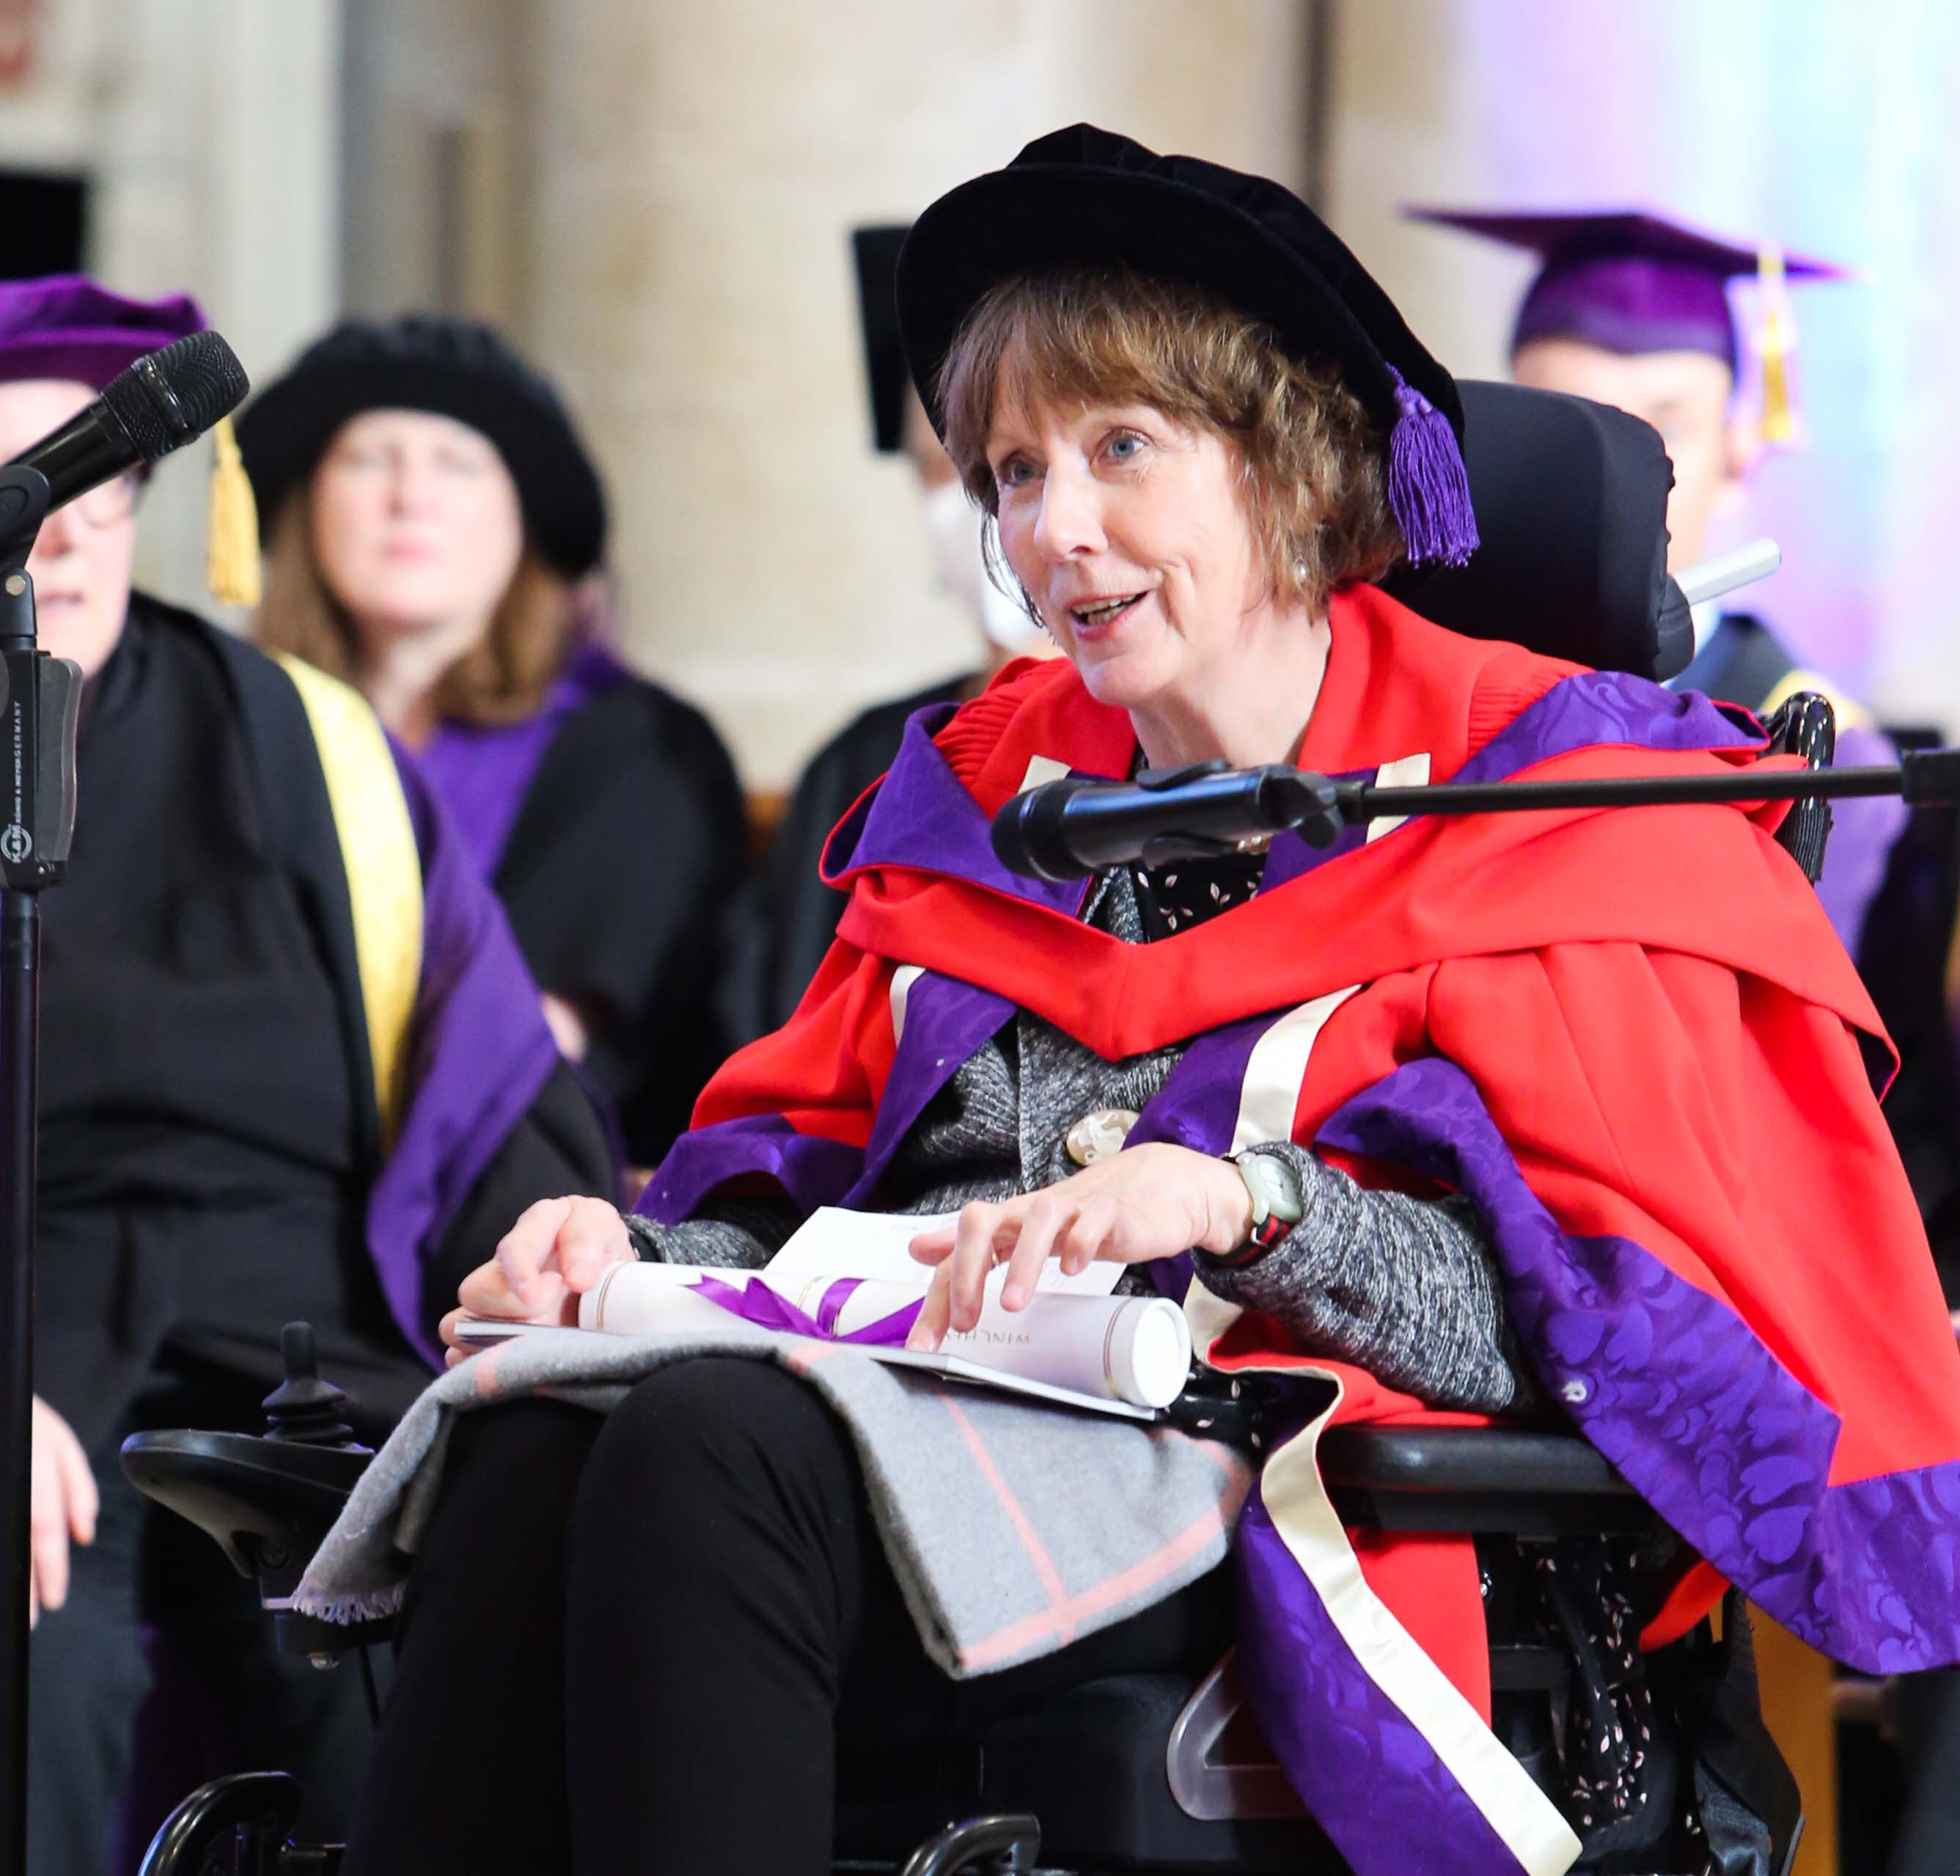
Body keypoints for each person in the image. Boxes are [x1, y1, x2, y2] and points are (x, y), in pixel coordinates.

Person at [319, 130, 1960, 1876]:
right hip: (898, 1429)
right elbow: (828, 1210)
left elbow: (1599, 1326)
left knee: (704, 1452)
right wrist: (629, 1268)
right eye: (1012, 471)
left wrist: (1248, 1205)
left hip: (1274, 1489)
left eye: (1119, 449)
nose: (1055, 528)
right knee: (537, 1431)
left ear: (1290, 464)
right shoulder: (989, 791)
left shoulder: (1537, 799)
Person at [10, 277, 617, 1876]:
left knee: (402, 1691)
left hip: (311, 1350)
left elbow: (476, 1064)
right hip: (33, 1341)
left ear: (139, 504)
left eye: (86, 485)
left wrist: (555, 1228)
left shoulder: (308, 740)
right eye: (15, 489)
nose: (51, 535)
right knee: (38, 1678)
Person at [239, 316, 747, 1163]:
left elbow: (528, 1049)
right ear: (307, 503)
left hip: (507, 1201)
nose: (411, 498)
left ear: (524, 518)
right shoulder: (235, 732)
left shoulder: (636, 754)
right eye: (369, 460)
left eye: (458, 465)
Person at [1406, 207, 1904, 957]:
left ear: (1739, 459)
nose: (1624, 480)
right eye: (1580, 427)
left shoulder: (1821, 759)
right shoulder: (1420, 696)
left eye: (1665, 430)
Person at [722, 226, 1057, 1042]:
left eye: (1018, 468)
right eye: (944, 470)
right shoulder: (863, 767)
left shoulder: (1191, 756)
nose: (984, 511)